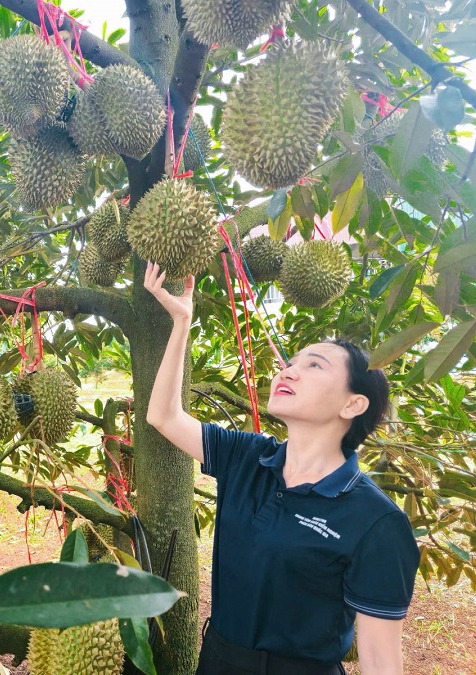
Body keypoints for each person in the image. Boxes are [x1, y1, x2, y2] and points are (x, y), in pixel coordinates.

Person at [143, 262, 420, 675]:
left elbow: (381, 659)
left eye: (315, 365)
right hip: (217, 662)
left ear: (352, 404)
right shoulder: (248, 457)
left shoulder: (376, 521)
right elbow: (164, 417)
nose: (288, 370)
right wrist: (181, 321)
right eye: (292, 361)